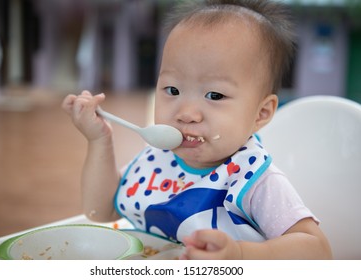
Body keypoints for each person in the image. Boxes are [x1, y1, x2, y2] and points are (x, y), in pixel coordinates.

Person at [62, 0, 332, 259]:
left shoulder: (254, 180)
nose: (186, 114)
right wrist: (99, 140)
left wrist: (240, 255)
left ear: (260, 113)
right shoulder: (159, 159)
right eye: (173, 90)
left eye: (214, 95)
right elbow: (100, 210)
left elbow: (317, 251)